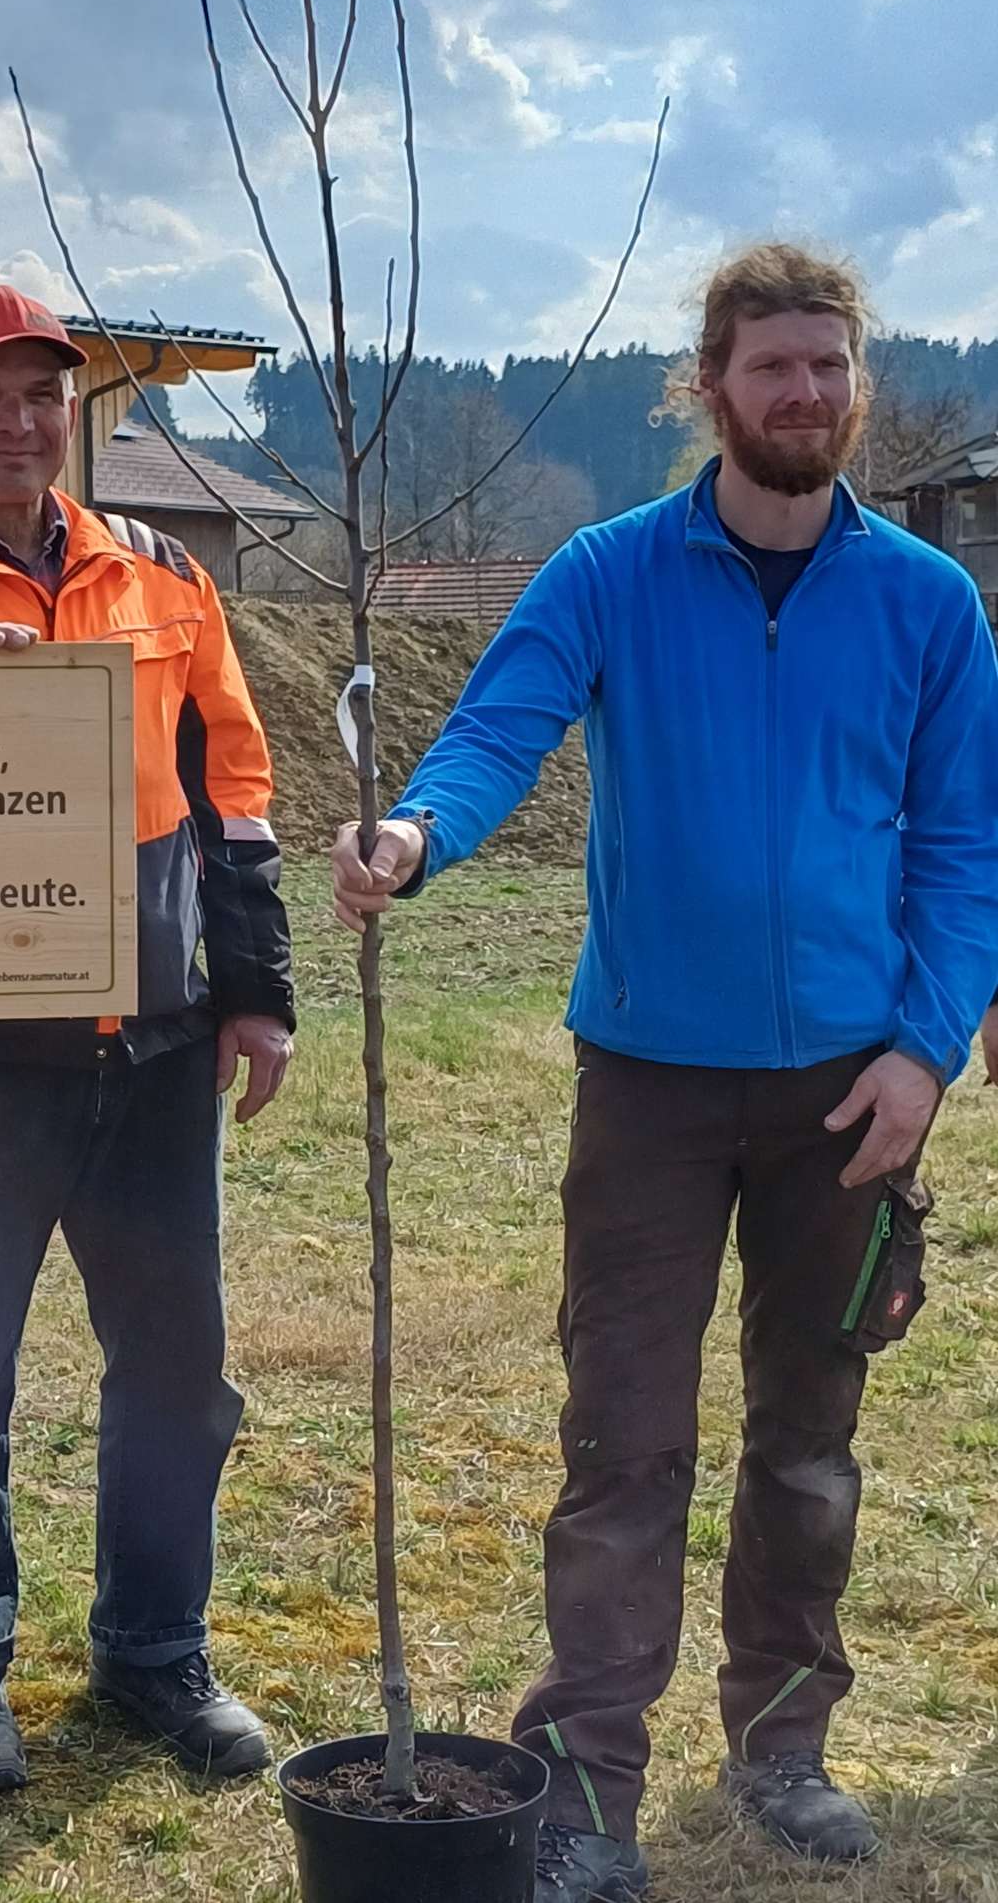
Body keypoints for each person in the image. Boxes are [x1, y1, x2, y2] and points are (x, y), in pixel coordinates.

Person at [332, 244, 998, 1903]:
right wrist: (417, 835)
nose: (806, 397)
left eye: (831, 368)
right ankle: (582, 1785)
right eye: (773, 368)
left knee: (808, 1441)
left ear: (859, 384)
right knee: (622, 1441)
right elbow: (502, 726)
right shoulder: (611, 571)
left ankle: (782, 1742)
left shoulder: (931, 602)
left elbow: (966, 847)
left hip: (848, 1092)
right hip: (647, 1082)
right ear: (709, 384)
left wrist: (925, 1052)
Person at [0, 283, 296, 1792]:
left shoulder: (162, 571)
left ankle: (155, 1652)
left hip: (158, 1050)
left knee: (179, 1368)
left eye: (45, 394)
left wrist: (256, 990)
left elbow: (234, 784)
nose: (20, 421)